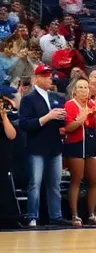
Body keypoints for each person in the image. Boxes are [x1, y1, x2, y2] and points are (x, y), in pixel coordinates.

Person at [17, 64, 66, 227]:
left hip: (54, 146)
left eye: (50, 75)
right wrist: (47, 117)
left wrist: (63, 119)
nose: (49, 78)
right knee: (35, 183)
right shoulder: (28, 99)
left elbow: (62, 121)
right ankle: (32, 216)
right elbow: (24, 124)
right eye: (45, 75)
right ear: (36, 78)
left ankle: (56, 216)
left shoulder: (57, 97)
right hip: (36, 147)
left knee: (55, 184)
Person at [63, 77, 96, 226]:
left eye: (86, 87)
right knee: (77, 179)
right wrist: (82, 117)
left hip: (91, 143)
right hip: (75, 144)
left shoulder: (92, 104)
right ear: (74, 91)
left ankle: (92, 214)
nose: (83, 90)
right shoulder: (70, 105)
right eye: (80, 87)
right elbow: (68, 128)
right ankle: (75, 215)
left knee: (94, 180)